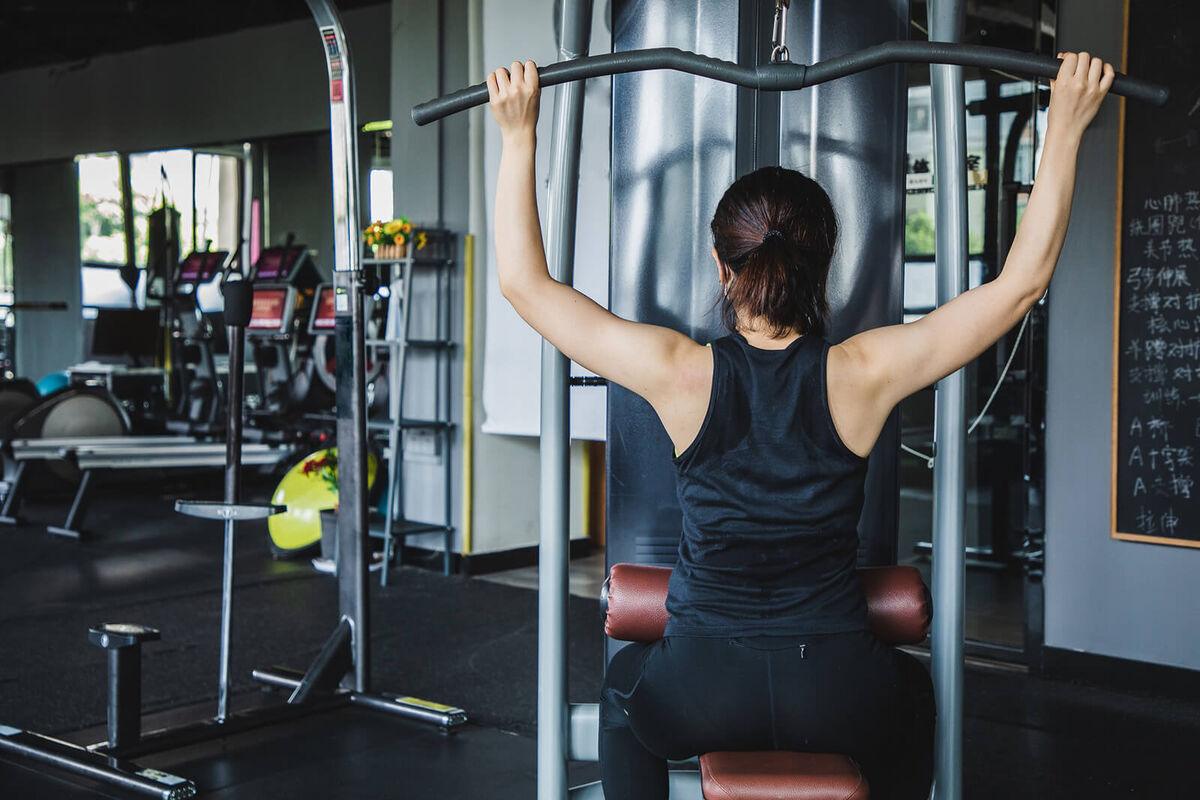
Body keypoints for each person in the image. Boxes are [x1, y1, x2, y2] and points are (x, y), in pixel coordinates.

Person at [487, 51, 1113, 799]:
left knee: (627, 692)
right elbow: (1021, 285)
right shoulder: (865, 371)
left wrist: (519, 133)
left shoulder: (676, 370)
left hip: (700, 691)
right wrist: (1067, 125)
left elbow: (525, 285)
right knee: (914, 699)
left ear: (724, 268)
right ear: (824, 266)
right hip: (839, 695)